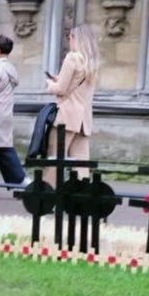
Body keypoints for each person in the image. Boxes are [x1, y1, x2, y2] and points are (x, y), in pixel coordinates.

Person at [43, 24, 100, 186]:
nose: (69, 41)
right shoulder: (92, 62)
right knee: (81, 163)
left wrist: (49, 84)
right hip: (83, 120)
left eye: (70, 37)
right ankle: (81, 196)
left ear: (76, 39)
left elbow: (61, 89)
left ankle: (47, 193)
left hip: (66, 117)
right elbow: (77, 87)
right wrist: (59, 78)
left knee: (55, 158)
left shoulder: (72, 57)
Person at [0, 34, 26, 186]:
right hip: (6, 113)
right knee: (1, 148)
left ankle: (20, 180)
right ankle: (17, 181)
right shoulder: (10, 68)